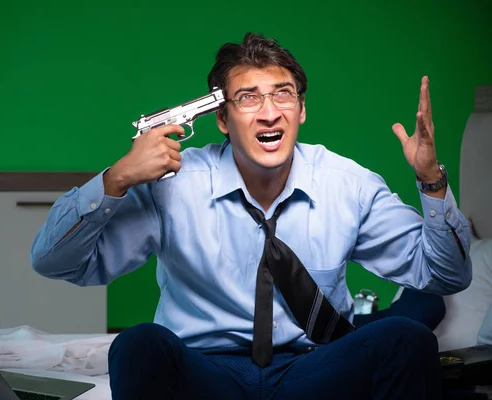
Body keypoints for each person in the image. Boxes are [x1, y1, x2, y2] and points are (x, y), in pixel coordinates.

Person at [30, 32, 473, 399]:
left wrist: (431, 180)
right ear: (222, 118)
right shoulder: (174, 186)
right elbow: (54, 262)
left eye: (283, 94)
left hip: (312, 368)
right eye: (248, 98)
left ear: (301, 109)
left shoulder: (349, 184)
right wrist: (117, 177)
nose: (269, 112)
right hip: (206, 372)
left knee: (406, 338)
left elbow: (445, 276)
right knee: (137, 344)